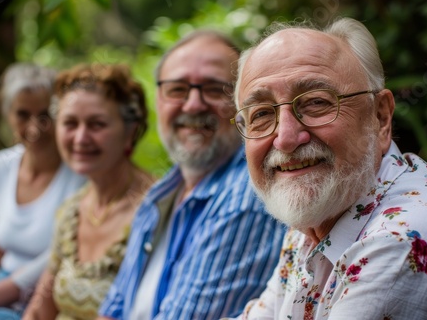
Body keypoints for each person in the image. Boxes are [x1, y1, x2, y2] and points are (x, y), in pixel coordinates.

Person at [229, 17, 427, 319]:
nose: (286, 138)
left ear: (380, 117)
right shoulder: (319, 217)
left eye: (316, 102)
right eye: (262, 113)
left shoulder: (398, 243)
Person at [97, 31, 286, 320]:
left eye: (214, 89)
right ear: (158, 100)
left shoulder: (246, 196)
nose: (193, 105)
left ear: (244, 105)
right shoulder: (161, 193)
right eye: (177, 89)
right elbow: (114, 309)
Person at [0, 63, 86, 319]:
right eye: (23, 115)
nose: (34, 128)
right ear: (7, 114)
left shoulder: (81, 177)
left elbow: (55, 262)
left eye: (45, 116)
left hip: (44, 296)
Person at [22, 63, 155, 320]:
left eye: (97, 124)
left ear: (130, 132)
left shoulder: (156, 209)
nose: (81, 138)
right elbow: (41, 307)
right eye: (70, 123)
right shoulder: (71, 210)